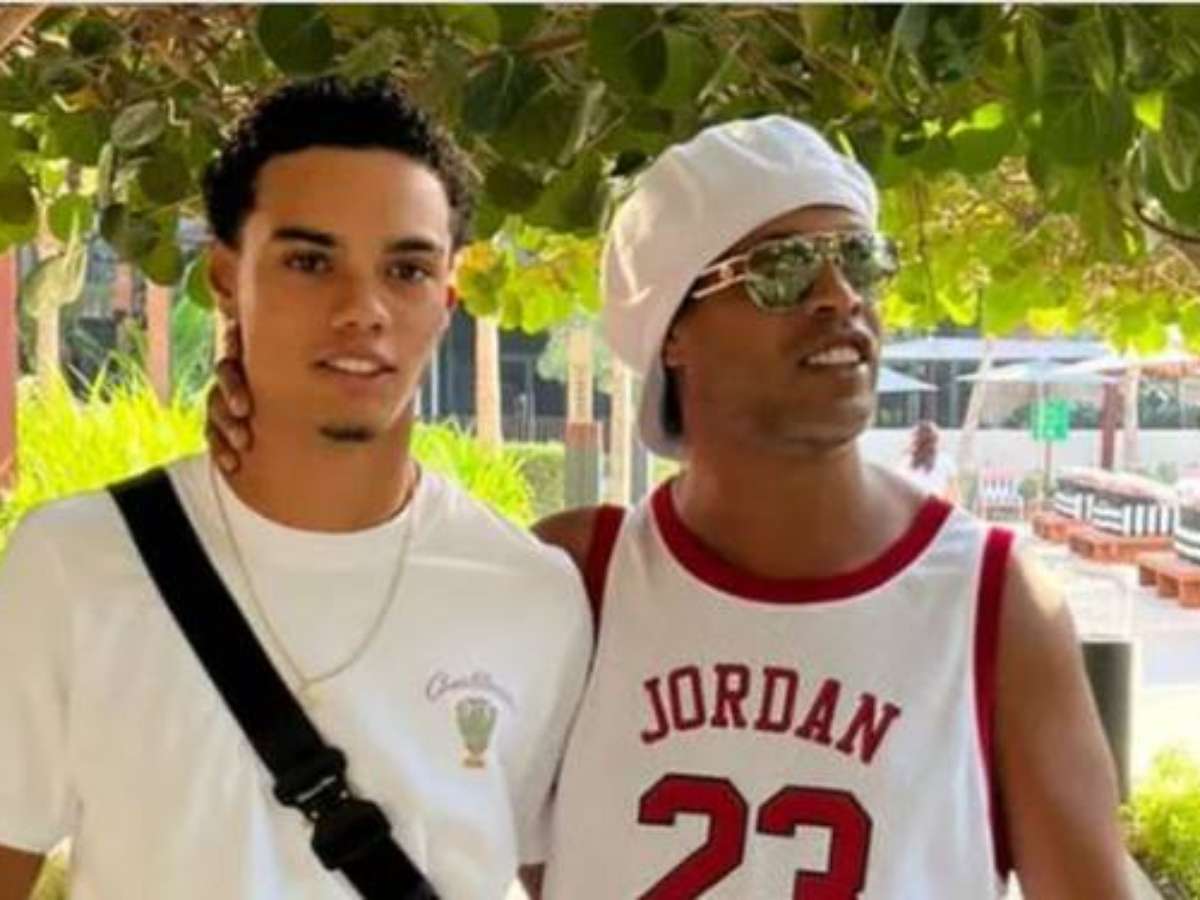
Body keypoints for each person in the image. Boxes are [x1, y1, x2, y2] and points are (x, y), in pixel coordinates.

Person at [208, 117, 1133, 898]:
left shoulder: (994, 602)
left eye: (860, 259)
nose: (840, 297)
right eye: (781, 270)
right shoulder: (581, 579)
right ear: (671, 331)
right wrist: (267, 417)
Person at [0, 78, 591, 900]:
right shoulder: (76, 564)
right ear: (225, 277)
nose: (363, 309)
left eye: (407, 269)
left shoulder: (530, 596)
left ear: (447, 301)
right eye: (310, 262)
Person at [897, 418, 960, 502]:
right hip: (935, 506)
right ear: (936, 439)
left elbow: (899, 490)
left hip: (911, 505)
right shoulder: (946, 460)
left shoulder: (906, 461)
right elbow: (953, 496)